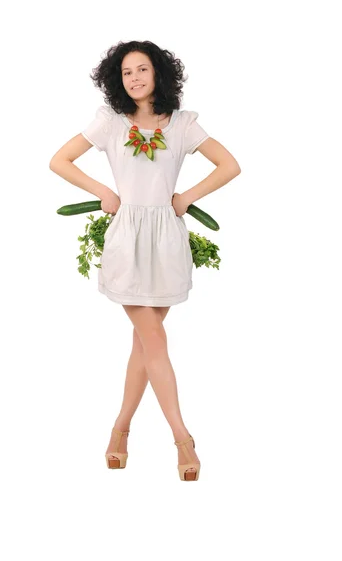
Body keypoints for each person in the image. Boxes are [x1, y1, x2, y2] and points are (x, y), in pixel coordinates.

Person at [49, 40, 241, 481]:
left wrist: (187, 197)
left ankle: (120, 430)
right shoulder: (110, 123)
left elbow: (229, 165)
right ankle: (182, 437)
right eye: (126, 72)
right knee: (154, 340)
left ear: (159, 74)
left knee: (144, 345)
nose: (134, 78)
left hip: (168, 241)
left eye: (142, 69)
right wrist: (102, 192)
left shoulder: (183, 125)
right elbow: (59, 160)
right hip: (126, 240)